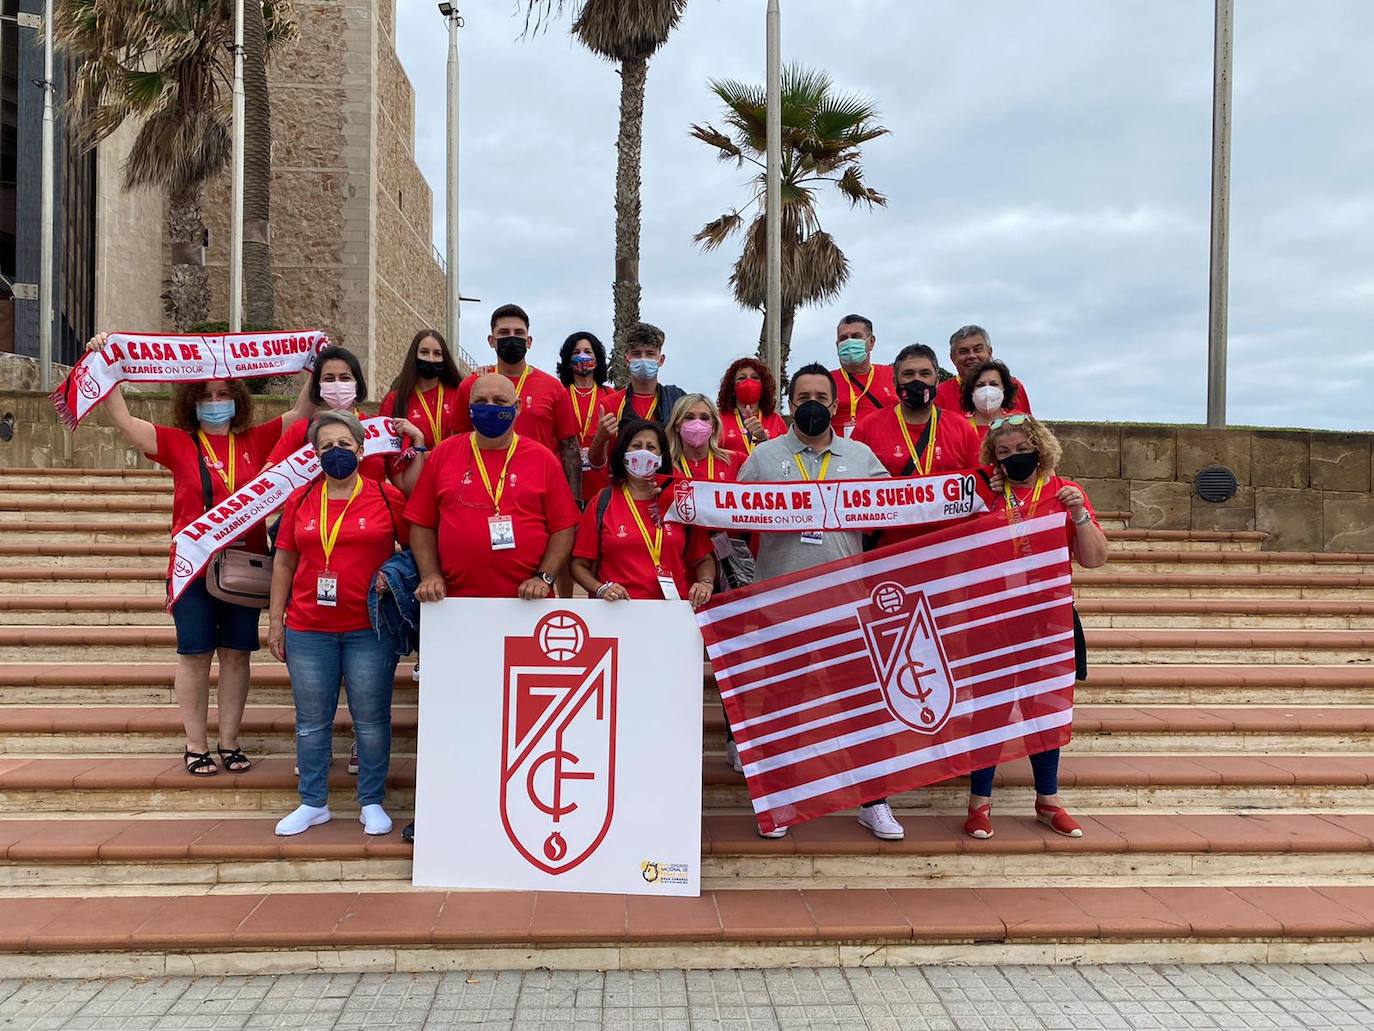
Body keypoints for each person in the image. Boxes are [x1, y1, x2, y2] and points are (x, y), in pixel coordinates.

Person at [82, 332, 315, 777]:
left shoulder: (257, 439)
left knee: (236, 654)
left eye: (223, 393)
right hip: (192, 569)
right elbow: (128, 425)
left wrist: (312, 360)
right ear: (192, 400)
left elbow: (303, 412)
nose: (215, 401)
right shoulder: (178, 442)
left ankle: (229, 742)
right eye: (206, 394)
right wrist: (105, 366)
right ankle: (195, 744)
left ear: (237, 398)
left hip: (244, 569)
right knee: (194, 654)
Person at [402, 372, 582, 843]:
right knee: (453, 718)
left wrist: (544, 578)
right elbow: (420, 523)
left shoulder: (541, 459)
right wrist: (429, 574)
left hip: (523, 616)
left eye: (499, 400)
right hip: (457, 614)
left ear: (517, 406)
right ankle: (442, 810)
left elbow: (564, 527)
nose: (490, 407)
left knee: (519, 721)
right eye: (480, 400)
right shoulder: (445, 454)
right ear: (468, 407)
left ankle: (516, 810)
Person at [737, 362, 904, 842]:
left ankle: (873, 800)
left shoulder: (861, 455)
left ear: (835, 404)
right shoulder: (765, 457)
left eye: (821, 397)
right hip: (781, 604)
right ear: (790, 403)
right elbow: (730, 512)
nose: (813, 404)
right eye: (803, 396)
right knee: (779, 706)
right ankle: (778, 798)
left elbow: (896, 509)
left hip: (845, 605)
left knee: (862, 706)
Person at [964, 414, 1108, 841]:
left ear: (1041, 449)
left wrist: (1079, 515)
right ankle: (979, 804)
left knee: (1044, 708)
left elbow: (1096, 558)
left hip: (1048, 620)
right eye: (1004, 452)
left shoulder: (1065, 493)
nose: (1015, 458)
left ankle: (1049, 800)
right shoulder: (985, 495)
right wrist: (977, 495)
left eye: (1022, 449)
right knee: (988, 709)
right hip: (992, 619)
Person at [267, 412, 409, 837]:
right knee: (311, 720)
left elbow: (416, 549)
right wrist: (276, 621)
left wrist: (395, 574)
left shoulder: (385, 497)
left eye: (344, 445)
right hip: (308, 627)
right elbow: (285, 562)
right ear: (315, 455)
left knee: (371, 719)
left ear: (361, 451)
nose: (336, 453)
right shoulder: (300, 501)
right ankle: (313, 802)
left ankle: (371, 801)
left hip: (369, 628)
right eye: (326, 446)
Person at [570, 419, 715, 606]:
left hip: (674, 612)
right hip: (617, 611)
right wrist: (600, 589)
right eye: (636, 446)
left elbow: (704, 558)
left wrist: (705, 583)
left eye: (651, 447)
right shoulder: (603, 501)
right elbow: (578, 565)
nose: (644, 452)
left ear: (661, 456)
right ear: (623, 453)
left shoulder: (679, 501)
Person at [852, 343, 982, 545]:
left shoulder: (961, 428)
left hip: (950, 550)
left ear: (937, 381)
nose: (917, 381)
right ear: (895, 381)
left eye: (924, 374)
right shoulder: (868, 427)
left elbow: (981, 486)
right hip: (887, 551)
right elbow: (852, 489)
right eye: (908, 374)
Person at [453, 304, 582, 503]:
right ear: (491, 340)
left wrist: (574, 502)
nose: (512, 338)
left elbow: (570, 448)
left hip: (539, 490)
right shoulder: (472, 386)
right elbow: (457, 443)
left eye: (519, 333)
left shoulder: (553, 388)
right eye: (504, 333)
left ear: (529, 341)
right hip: (483, 490)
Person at [265, 345, 427, 491]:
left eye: (344, 378)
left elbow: (407, 486)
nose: (337, 384)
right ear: (318, 386)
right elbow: (266, 484)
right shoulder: (300, 430)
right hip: (316, 519)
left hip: (372, 518)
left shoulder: (381, 429)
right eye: (329, 379)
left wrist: (419, 440)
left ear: (357, 384)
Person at [556, 330, 621, 504]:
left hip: (603, 491)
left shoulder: (611, 396)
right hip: (565, 488)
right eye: (576, 352)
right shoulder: (558, 395)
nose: (582, 356)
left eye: (588, 352)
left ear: (597, 359)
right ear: (568, 361)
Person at [380, 329, 464, 450]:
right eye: (424, 352)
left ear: (444, 358)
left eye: (437, 354)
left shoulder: (458, 395)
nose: (430, 359)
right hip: (412, 468)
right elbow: (384, 449)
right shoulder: (394, 400)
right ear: (414, 356)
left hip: (450, 466)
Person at [935, 325, 1033, 415]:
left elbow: (1030, 430)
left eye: (977, 350)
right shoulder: (939, 394)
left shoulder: (1013, 387)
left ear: (989, 352)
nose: (972, 356)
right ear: (952, 358)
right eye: (963, 352)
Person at [830, 313, 897, 437]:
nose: (849, 342)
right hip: (840, 453)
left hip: (884, 451)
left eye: (856, 337)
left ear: (871, 342)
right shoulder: (826, 381)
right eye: (843, 338)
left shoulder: (893, 375)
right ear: (837, 345)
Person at [615, 321, 685, 426]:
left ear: (661, 360)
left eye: (650, 354)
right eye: (636, 354)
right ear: (627, 360)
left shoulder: (678, 401)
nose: (643, 359)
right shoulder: (611, 404)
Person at [666, 394, 745, 483]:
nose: (697, 423)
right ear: (677, 426)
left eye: (704, 418)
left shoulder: (736, 460)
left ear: (714, 427)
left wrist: (761, 439)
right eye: (689, 417)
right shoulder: (665, 465)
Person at [715, 357, 786, 457]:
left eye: (755, 377)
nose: (749, 382)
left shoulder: (775, 420)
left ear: (763, 386)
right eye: (742, 378)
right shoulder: (718, 419)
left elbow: (785, 456)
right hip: (731, 472)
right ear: (732, 387)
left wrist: (764, 439)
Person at [961, 359, 1022, 442]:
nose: (987, 390)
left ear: (1004, 390)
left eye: (994, 384)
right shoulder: (960, 428)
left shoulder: (1018, 426)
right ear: (971, 391)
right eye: (980, 385)